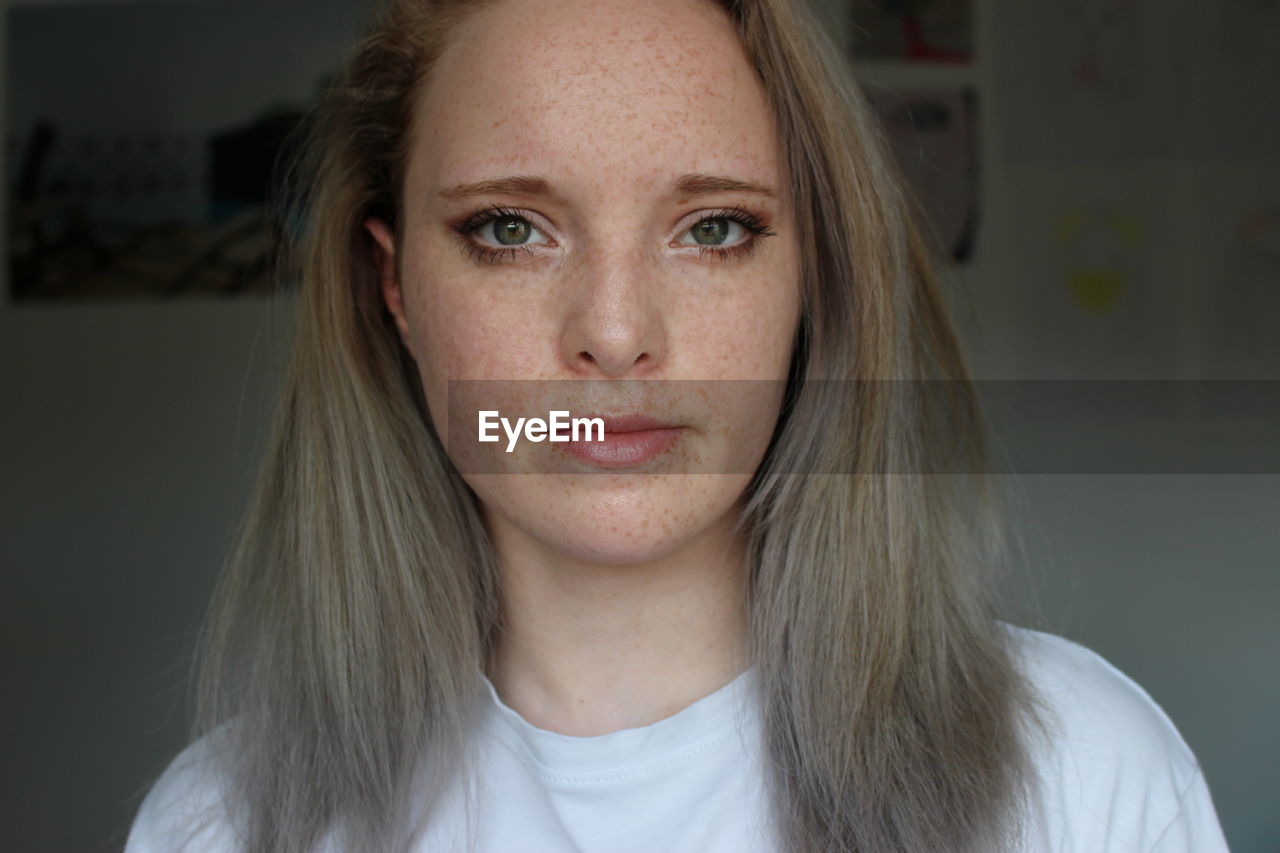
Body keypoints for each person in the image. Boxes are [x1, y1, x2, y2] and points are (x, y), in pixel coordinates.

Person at [124, 0, 1231, 851]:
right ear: (396, 287)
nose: (614, 334)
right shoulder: (222, 825)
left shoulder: (1072, 774)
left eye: (712, 229)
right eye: (510, 227)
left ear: (813, 278)